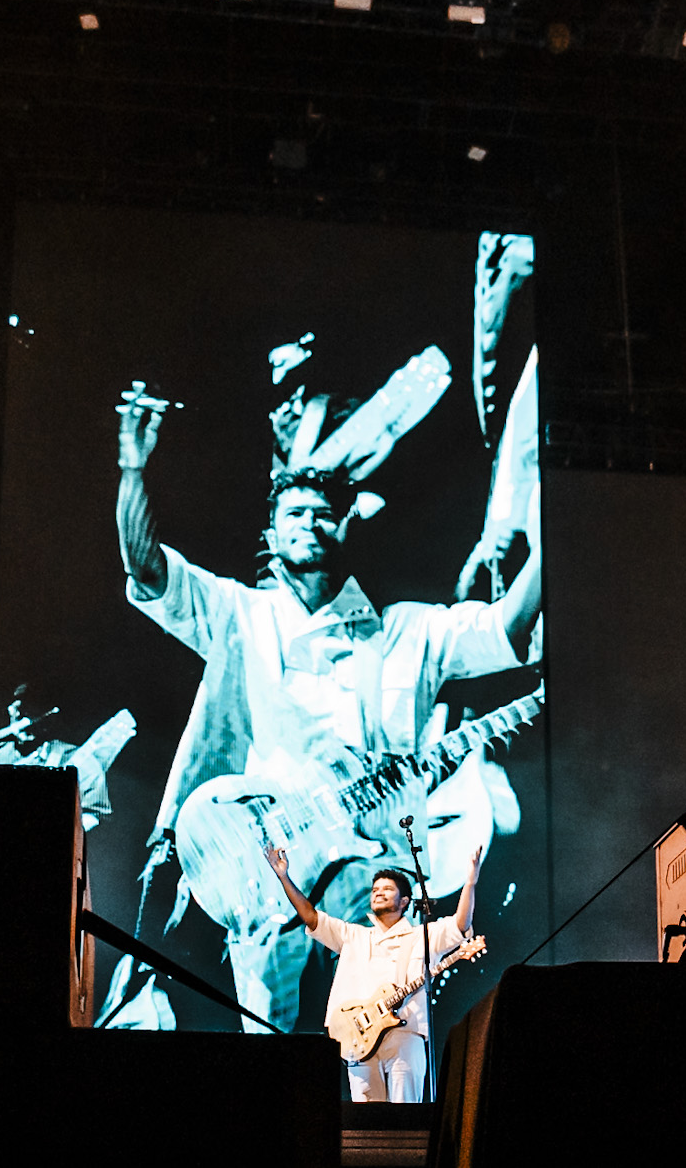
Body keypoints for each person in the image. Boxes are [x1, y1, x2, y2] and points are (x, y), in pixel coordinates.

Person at [116, 391, 539, 1033]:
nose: (310, 522)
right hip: (277, 882)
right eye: (294, 513)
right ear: (270, 534)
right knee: (274, 1046)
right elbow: (147, 569)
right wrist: (132, 467)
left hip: (382, 889)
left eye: (324, 513)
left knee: (385, 1060)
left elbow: (507, 627)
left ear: (348, 526)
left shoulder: (408, 632)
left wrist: (552, 540)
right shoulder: (242, 615)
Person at [265, 841, 479, 1102]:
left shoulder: (422, 935)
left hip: (405, 1035)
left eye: (387, 889)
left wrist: (470, 882)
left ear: (404, 901)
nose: (378, 893)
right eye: (375, 889)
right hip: (358, 1038)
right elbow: (311, 917)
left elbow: (460, 925)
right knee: (366, 1117)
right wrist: (284, 876)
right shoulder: (353, 935)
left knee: (404, 1115)